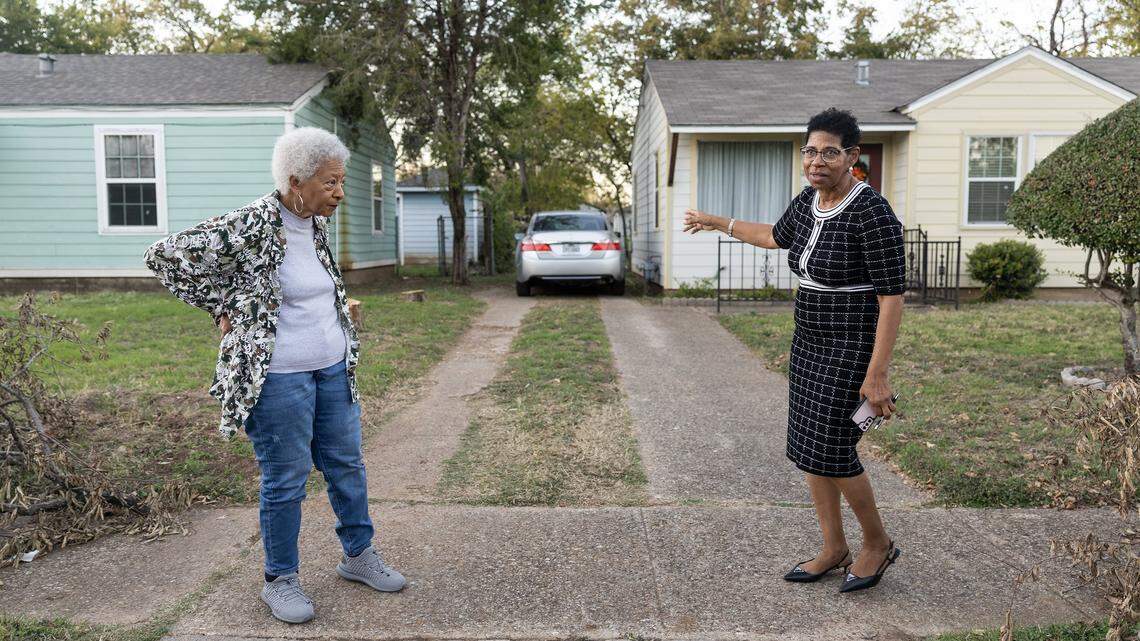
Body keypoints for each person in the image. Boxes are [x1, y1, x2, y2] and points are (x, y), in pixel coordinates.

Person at [144, 127, 405, 624]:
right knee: (285, 480)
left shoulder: (316, 224)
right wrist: (223, 306)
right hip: (278, 376)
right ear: (295, 180)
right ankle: (280, 579)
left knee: (347, 466)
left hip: (332, 368)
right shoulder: (252, 223)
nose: (340, 192)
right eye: (330, 182)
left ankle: (358, 556)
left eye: (341, 181)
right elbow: (165, 255)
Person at [683, 108, 905, 593]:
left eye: (830, 151)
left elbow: (892, 296)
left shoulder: (873, 212)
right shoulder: (808, 201)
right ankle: (833, 547)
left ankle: (877, 542)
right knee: (807, 448)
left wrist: (878, 374)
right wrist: (714, 221)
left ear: (852, 156)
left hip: (851, 345)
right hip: (808, 341)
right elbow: (772, 236)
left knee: (834, 448)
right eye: (811, 150)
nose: (817, 160)